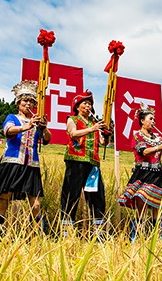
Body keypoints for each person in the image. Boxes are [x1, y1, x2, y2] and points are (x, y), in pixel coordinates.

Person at [0, 80, 51, 235]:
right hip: (13, 162)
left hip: (31, 165)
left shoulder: (37, 121)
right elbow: (8, 131)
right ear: (18, 103)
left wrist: (44, 128)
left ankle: (39, 235)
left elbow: (47, 139)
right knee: (4, 199)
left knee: (36, 204)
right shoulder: (13, 117)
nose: (28, 104)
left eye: (31, 101)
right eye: (25, 101)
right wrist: (26, 126)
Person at [118, 104, 162, 241]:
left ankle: (158, 237)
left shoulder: (157, 137)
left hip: (157, 173)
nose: (153, 121)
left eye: (154, 119)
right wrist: (161, 146)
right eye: (150, 119)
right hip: (143, 172)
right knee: (141, 199)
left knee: (157, 205)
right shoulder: (137, 135)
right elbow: (143, 151)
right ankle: (137, 236)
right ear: (142, 121)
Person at [60, 90, 107, 238]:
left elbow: (103, 142)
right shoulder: (72, 119)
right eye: (85, 103)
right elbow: (73, 133)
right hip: (76, 161)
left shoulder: (94, 123)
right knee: (71, 195)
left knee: (97, 196)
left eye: (90, 104)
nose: (88, 106)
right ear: (77, 106)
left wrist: (106, 134)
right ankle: (66, 232)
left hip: (93, 164)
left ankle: (98, 233)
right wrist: (92, 129)